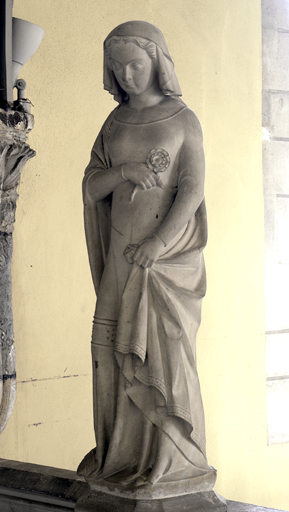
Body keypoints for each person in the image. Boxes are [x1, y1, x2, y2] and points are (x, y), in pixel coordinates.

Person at [78, 21, 216, 498]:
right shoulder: (113, 124)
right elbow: (91, 188)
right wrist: (123, 172)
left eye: (135, 64)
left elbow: (192, 191)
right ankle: (119, 457)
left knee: (163, 357)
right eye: (117, 67)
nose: (127, 75)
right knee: (108, 354)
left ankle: (168, 463)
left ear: (158, 61)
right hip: (119, 259)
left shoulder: (182, 119)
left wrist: (158, 243)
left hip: (162, 265)